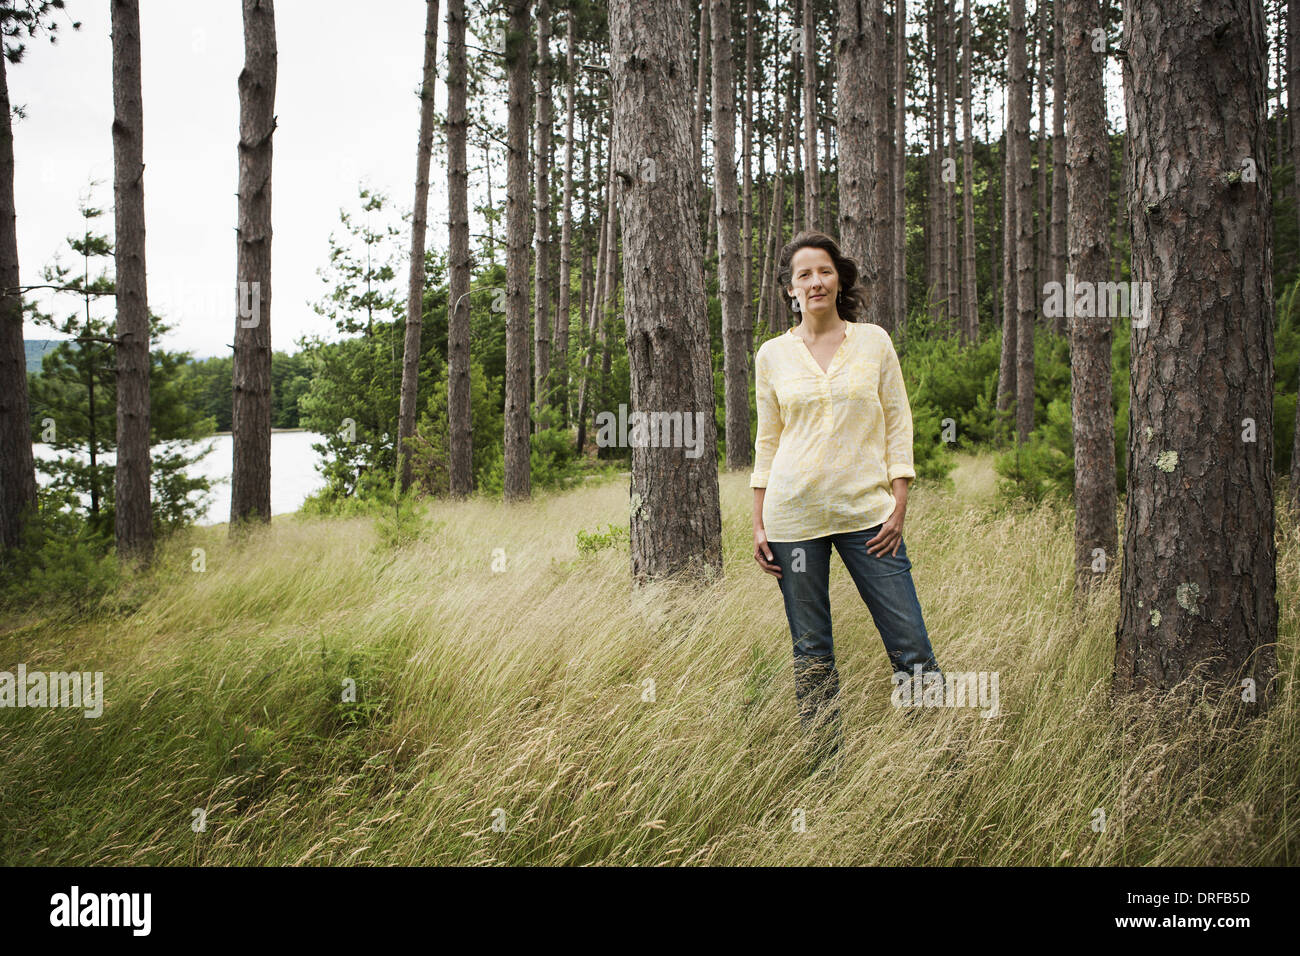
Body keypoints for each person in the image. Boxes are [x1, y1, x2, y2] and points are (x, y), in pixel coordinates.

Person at [751, 230, 944, 761]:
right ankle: (827, 767)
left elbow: (898, 423)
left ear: (840, 279)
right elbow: (768, 442)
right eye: (803, 274)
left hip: (869, 516)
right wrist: (759, 523)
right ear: (790, 290)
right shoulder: (772, 356)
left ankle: (940, 761)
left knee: (911, 645)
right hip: (793, 520)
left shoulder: (874, 341)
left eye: (824, 271)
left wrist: (899, 501)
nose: (815, 281)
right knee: (812, 652)